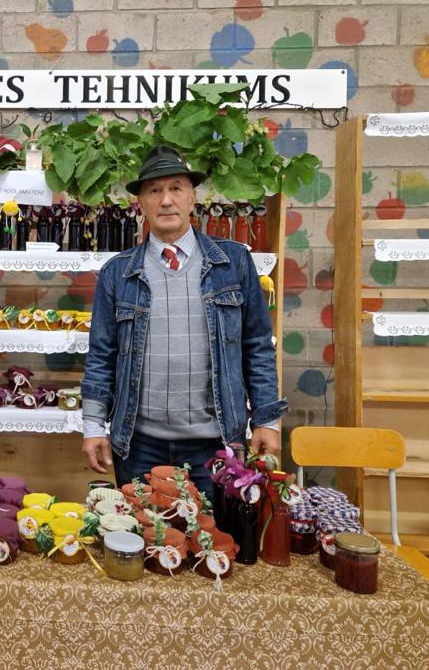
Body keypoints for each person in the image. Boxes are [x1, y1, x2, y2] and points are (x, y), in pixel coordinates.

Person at [80, 146, 286, 496]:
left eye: (176, 188)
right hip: (138, 444)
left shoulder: (234, 263)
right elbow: (102, 355)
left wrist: (267, 420)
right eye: (154, 190)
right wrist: (93, 426)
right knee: (142, 529)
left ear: (193, 198)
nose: (166, 200)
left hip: (216, 444)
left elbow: (257, 347)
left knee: (217, 531)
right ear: (140, 203)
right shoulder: (117, 273)